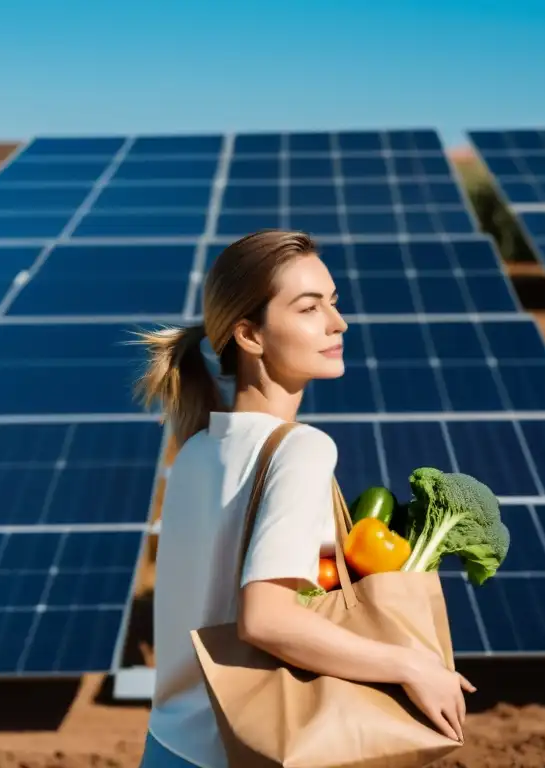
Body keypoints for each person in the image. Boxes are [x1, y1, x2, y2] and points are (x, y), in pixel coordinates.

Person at [133, 230, 475, 768]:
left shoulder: (197, 449)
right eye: (309, 308)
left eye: (334, 303)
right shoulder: (302, 450)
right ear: (249, 334)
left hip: (171, 746)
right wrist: (413, 665)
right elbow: (267, 621)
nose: (338, 323)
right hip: (249, 749)